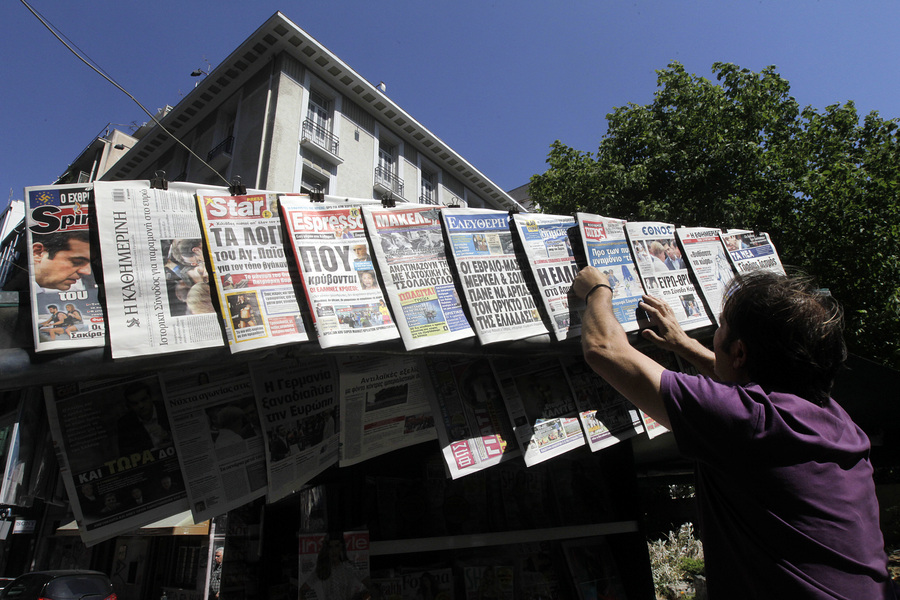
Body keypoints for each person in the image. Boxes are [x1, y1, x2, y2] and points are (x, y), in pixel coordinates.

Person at [572, 266, 895, 599]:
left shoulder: (750, 423)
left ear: (739, 352)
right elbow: (740, 388)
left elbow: (604, 349)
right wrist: (684, 345)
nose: (716, 331)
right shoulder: (835, 418)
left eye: (721, 324)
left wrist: (597, 289)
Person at [300, 534, 370, 600]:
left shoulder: (349, 567)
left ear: (341, 548)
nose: (334, 551)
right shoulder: (323, 568)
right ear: (327, 550)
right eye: (330, 547)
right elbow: (302, 591)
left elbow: (371, 587)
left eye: (337, 546)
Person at [117, 382, 173, 456]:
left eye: (144, 400)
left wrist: (168, 436)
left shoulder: (166, 409)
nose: (141, 406)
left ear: (151, 398)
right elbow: (126, 454)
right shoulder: (125, 423)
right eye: (135, 403)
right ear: (129, 406)